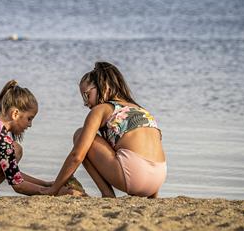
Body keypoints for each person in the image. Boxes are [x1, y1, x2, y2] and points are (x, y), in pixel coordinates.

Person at [43, 62, 166, 198]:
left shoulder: (101, 110)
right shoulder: (141, 110)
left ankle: (107, 194)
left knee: (80, 136)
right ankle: (151, 195)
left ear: (105, 87)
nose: (86, 103)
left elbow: (76, 156)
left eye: (86, 95)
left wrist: (54, 189)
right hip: (158, 178)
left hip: (135, 177)